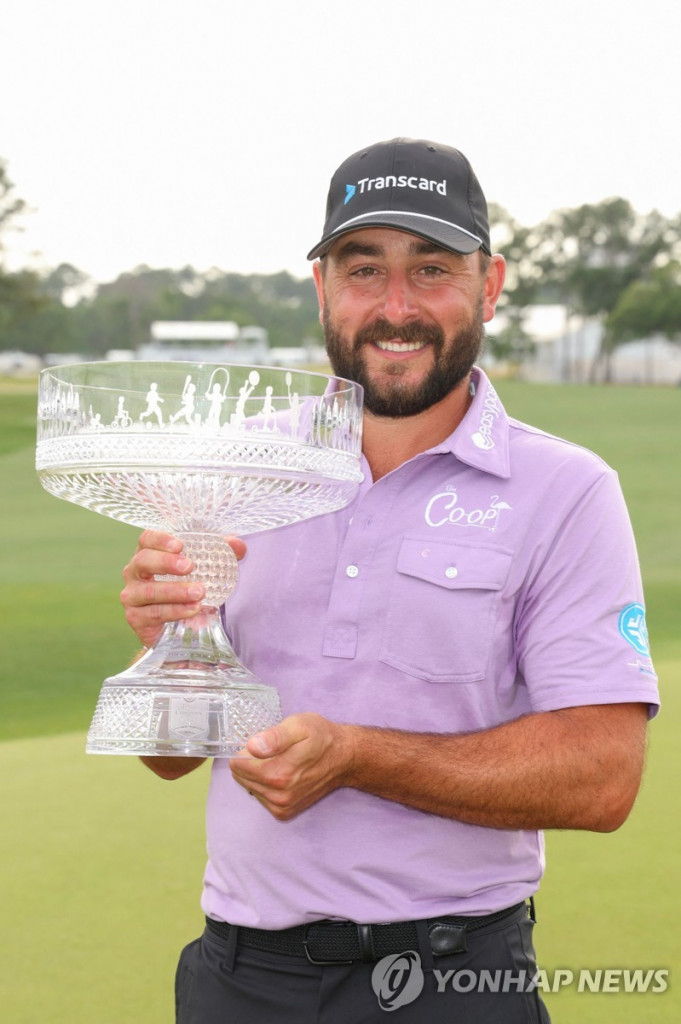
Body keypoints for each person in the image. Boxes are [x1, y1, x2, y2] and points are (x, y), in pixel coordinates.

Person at [120, 138, 659, 1023]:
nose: (395, 307)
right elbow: (171, 757)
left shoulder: (567, 490)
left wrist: (359, 758)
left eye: (432, 269)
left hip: (452, 978)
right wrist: (166, 647)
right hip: (237, 976)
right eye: (362, 269)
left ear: (488, 287)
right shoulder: (232, 471)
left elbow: (601, 779)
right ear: (322, 288)